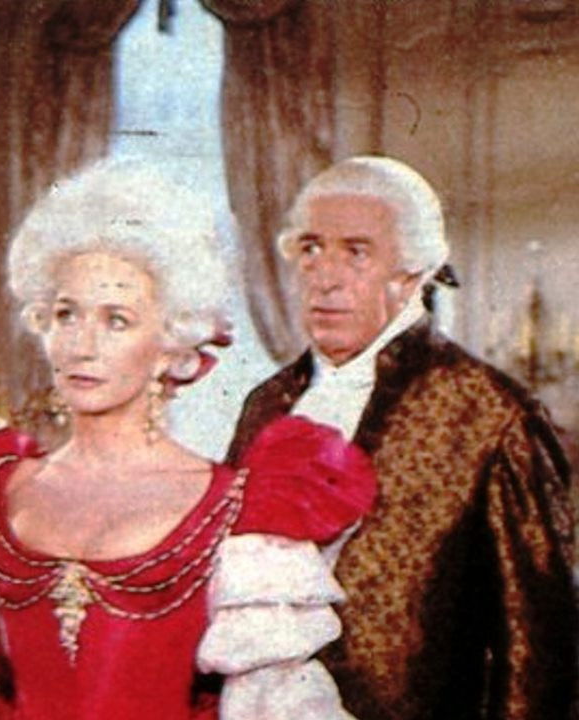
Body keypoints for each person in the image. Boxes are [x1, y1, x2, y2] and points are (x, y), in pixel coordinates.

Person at [0, 160, 378, 719]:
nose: (82, 345)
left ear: (171, 344)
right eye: (66, 314)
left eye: (117, 320)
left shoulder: (234, 508)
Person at [226, 155, 577, 719]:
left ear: (413, 273)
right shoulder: (265, 405)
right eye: (311, 248)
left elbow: (538, 653)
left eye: (356, 252)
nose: (325, 276)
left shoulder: (490, 412)